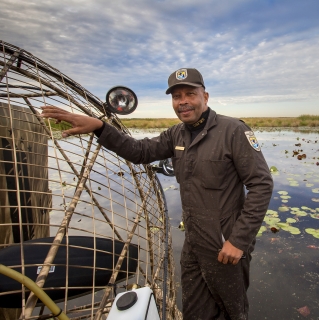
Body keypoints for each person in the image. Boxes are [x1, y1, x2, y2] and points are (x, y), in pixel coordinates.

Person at [41, 68, 274, 320]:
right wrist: (100, 127)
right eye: (176, 96)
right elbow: (139, 151)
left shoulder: (233, 131)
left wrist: (238, 241)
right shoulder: (176, 133)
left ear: (205, 97)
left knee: (232, 311)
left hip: (224, 245)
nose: (182, 101)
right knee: (195, 312)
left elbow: (262, 184)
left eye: (190, 94)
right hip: (194, 243)